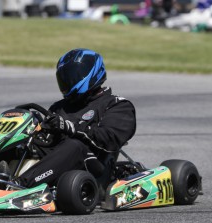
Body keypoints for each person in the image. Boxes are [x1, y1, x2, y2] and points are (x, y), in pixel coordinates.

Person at [11, 48, 136, 196]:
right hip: (57, 163)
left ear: (91, 73)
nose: (68, 82)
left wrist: (70, 128)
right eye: (64, 78)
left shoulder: (116, 104)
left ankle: (20, 186)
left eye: (72, 76)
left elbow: (109, 139)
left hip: (94, 168)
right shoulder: (60, 107)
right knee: (20, 142)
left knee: (75, 145)